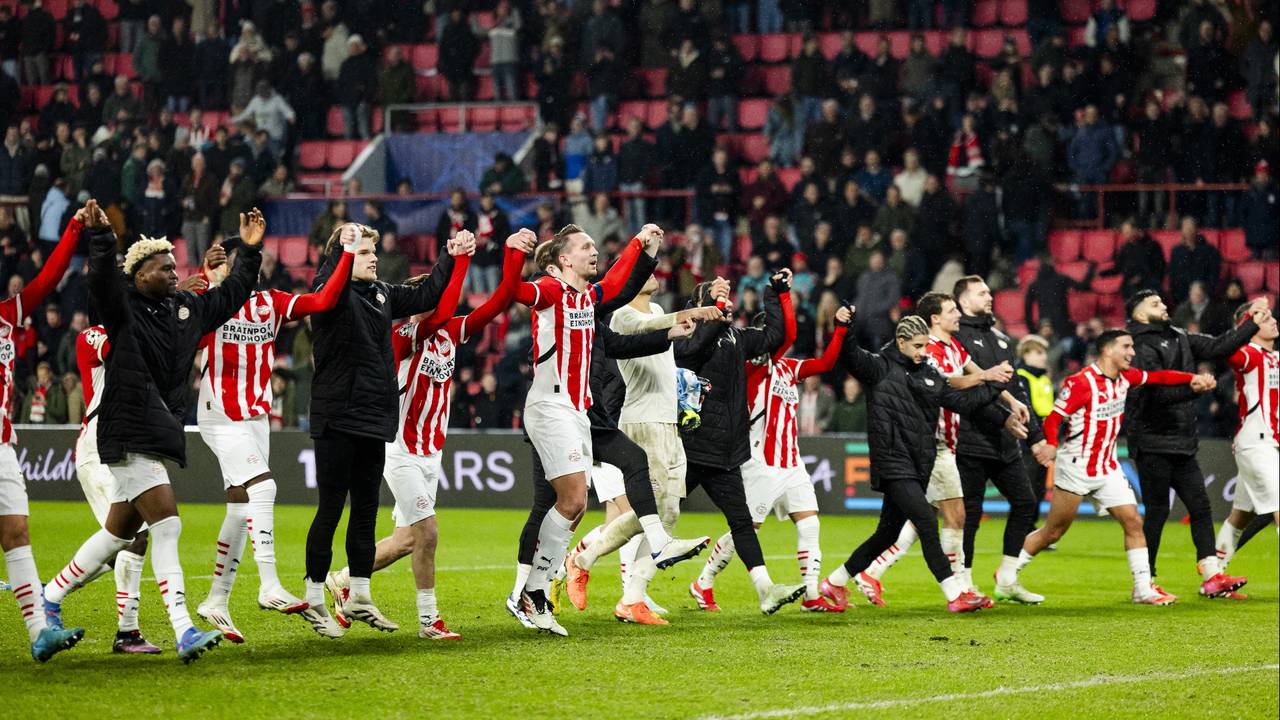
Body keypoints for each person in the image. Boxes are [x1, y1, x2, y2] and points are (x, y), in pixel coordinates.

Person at [43, 201, 265, 663]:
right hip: (126, 429)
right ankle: (184, 628)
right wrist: (102, 238)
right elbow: (102, 281)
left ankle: (50, 597)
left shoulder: (185, 309)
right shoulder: (122, 309)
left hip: (154, 429)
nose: (171, 271)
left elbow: (233, 293)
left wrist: (249, 251)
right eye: (162, 267)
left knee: (118, 533)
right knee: (167, 522)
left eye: (172, 265)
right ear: (138, 274)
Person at [326, 230, 533, 639]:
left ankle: (343, 579)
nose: (437, 309)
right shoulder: (403, 337)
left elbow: (500, 300)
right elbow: (440, 312)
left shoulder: (451, 333)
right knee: (429, 531)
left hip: (430, 452)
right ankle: (428, 620)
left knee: (406, 540)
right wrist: (458, 261)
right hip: (399, 448)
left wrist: (511, 253)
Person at [300, 221, 469, 637]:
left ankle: (358, 595)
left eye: (374, 250)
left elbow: (429, 295)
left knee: (364, 512)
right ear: (341, 255)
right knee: (331, 508)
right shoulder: (330, 291)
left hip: (374, 418)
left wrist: (451, 254)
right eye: (364, 252)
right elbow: (328, 285)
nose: (374, 257)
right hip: (337, 413)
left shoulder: (382, 295)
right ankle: (314, 598)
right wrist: (344, 250)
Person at [192, 225, 355, 643]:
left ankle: (216, 599)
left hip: (256, 415)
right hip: (220, 412)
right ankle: (268, 585)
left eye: (252, 255)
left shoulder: (271, 303)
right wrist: (201, 276)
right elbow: (183, 306)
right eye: (238, 257)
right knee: (264, 489)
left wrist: (347, 255)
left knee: (239, 505)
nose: (250, 263)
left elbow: (322, 300)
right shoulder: (211, 303)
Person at [507, 223, 663, 634]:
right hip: (549, 405)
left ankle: (533, 592)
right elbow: (512, 293)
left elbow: (615, 282)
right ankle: (530, 590)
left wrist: (638, 243)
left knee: (573, 507)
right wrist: (511, 255)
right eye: (585, 247)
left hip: (577, 410)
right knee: (569, 500)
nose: (594, 252)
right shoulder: (549, 290)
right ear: (564, 259)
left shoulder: (586, 297)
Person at [820, 313, 1025, 613]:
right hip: (892, 459)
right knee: (927, 522)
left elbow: (961, 403)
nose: (923, 352)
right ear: (900, 342)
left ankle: (834, 583)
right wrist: (844, 326)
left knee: (888, 533)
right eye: (917, 346)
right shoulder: (878, 367)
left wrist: (994, 384)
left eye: (925, 346)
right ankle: (955, 594)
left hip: (919, 463)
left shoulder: (927, 372)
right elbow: (848, 353)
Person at [1006, 330, 1223, 605]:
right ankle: (1008, 576)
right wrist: (1050, 443)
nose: (1132, 352)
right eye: (1127, 346)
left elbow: (1160, 377)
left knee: (1133, 521)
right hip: (1077, 465)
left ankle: (1143, 589)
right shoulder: (1081, 382)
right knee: (1053, 531)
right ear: (1108, 350)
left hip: (1107, 467)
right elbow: (1054, 418)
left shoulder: (1126, 378)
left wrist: (1191, 378)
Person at [692, 290, 850, 612]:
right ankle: (703, 581)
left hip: (792, 462)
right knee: (747, 528)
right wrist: (784, 297)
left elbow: (828, 362)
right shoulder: (750, 371)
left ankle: (810, 596)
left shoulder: (789, 368)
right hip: (760, 460)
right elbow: (783, 335)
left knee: (810, 525)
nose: (782, 346)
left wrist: (840, 329)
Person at [677, 271, 809, 615]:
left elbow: (776, 336)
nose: (727, 301)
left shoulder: (736, 338)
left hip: (725, 451)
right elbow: (700, 345)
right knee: (658, 516)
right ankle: (623, 581)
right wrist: (716, 307)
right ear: (699, 306)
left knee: (742, 521)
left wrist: (776, 293)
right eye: (717, 297)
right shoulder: (685, 336)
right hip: (691, 445)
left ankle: (766, 589)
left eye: (727, 298)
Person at [1124, 289, 1264, 596]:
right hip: (1152, 441)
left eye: (1161, 300)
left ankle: (1212, 576)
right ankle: (1144, 583)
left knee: (1201, 507)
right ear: (1138, 314)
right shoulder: (1139, 346)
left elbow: (1217, 347)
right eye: (1154, 303)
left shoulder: (1179, 335)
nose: (1163, 304)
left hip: (1182, 441)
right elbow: (1154, 393)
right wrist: (1194, 387)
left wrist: (1252, 322)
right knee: (1158, 511)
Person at [0, 210, 86, 662]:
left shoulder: (7, 316)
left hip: (2, 445)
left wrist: (73, 228)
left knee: (17, 532)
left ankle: (39, 634)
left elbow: (50, 277)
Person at [951, 276, 1047, 598]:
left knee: (1025, 503)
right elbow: (972, 393)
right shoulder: (957, 338)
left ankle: (1006, 580)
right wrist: (1005, 418)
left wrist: (1036, 437)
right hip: (969, 438)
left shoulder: (1002, 339)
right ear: (963, 301)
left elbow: (1015, 389)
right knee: (971, 514)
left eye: (990, 291)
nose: (989, 296)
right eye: (981, 293)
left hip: (1004, 442)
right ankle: (963, 581)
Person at [1216, 302, 1279, 573]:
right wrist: (1245, 325)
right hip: (1256, 443)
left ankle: (1213, 574)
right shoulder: (1249, 355)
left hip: (1267, 443)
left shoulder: (1274, 357)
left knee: (1240, 517)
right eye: (1265, 318)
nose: (1273, 320)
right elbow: (1227, 352)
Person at [1014, 335, 1054, 529]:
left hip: (1045, 441)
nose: (1044, 357)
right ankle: (1024, 527)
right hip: (1027, 442)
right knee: (1028, 486)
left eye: (1044, 352)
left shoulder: (1044, 378)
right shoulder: (1021, 377)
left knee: (1038, 486)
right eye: (1039, 352)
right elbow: (1027, 411)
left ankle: (1031, 526)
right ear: (1026, 354)